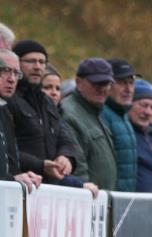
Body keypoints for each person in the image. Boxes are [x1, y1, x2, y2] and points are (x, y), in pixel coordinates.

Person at [8, 40, 77, 184]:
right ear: (17, 63)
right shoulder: (9, 100)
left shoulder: (47, 102)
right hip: (20, 185)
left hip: (48, 190)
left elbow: (65, 138)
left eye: (42, 62)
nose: (38, 67)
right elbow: (7, 150)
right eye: (31, 61)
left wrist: (66, 157)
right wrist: (40, 165)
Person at [60, 58, 118, 190]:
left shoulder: (94, 112)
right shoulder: (70, 114)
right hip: (87, 201)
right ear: (78, 82)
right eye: (97, 83)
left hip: (101, 201)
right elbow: (78, 168)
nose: (102, 89)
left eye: (107, 84)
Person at [0, 49, 43, 191]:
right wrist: (12, 179)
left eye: (16, 73)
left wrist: (19, 176)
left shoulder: (5, 111)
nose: (11, 79)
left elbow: (10, 163)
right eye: (5, 71)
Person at [100, 59, 138, 192]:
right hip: (110, 200)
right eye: (122, 83)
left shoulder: (123, 115)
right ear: (108, 85)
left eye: (131, 83)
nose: (128, 89)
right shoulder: (102, 115)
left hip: (124, 201)